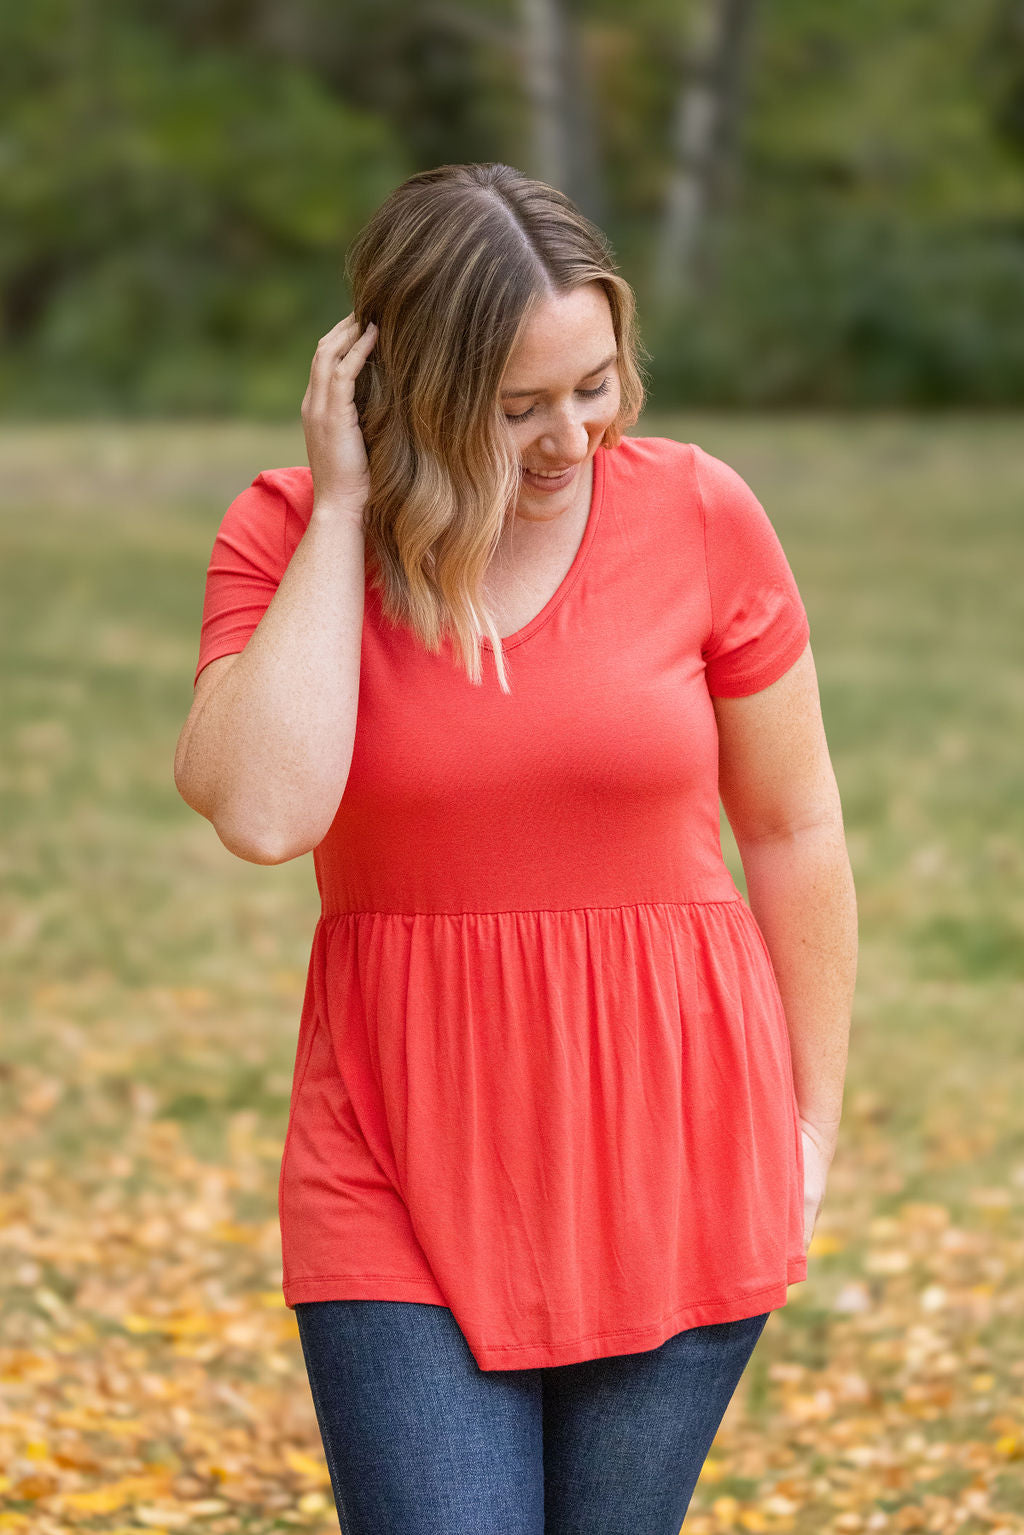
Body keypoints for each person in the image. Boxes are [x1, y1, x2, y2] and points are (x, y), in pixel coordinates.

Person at [174, 162, 858, 1534]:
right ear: (411, 391)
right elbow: (264, 812)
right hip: (400, 1148)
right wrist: (344, 513)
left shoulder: (701, 513)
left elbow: (794, 829)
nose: (571, 440)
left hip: (677, 1128)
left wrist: (808, 1133)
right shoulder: (289, 536)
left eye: (594, 386)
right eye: (516, 406)